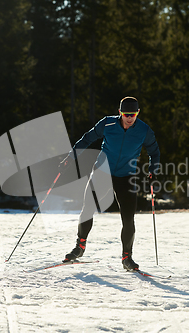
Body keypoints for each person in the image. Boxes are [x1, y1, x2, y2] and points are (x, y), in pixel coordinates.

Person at [60, 96, 160, 270]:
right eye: (126, 114)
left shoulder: (144, 130)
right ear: (120, 112)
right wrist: (71, 156)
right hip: (102, 172)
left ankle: (127, 257)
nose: (130, 117)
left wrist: (153, 169)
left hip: (127, 176)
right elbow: (87, 138)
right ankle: (79, 247)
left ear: (138, 113)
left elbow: (154, 151)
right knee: (87, 209)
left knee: (128, 219)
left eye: (133, 114)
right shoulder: (107, 124)